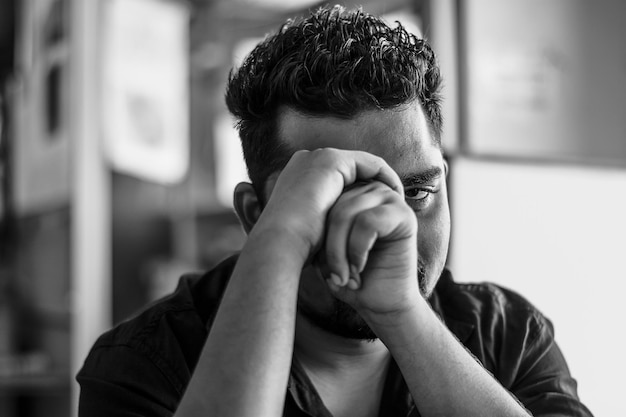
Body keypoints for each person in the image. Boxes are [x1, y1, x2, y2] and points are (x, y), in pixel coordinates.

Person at [77, 5, 593, 417]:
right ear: (256, 214)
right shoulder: (144, 362)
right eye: (340, 198)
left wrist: (403, 313)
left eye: (417, 192)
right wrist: (279, 244)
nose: (388, 226)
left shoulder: (508, 335)